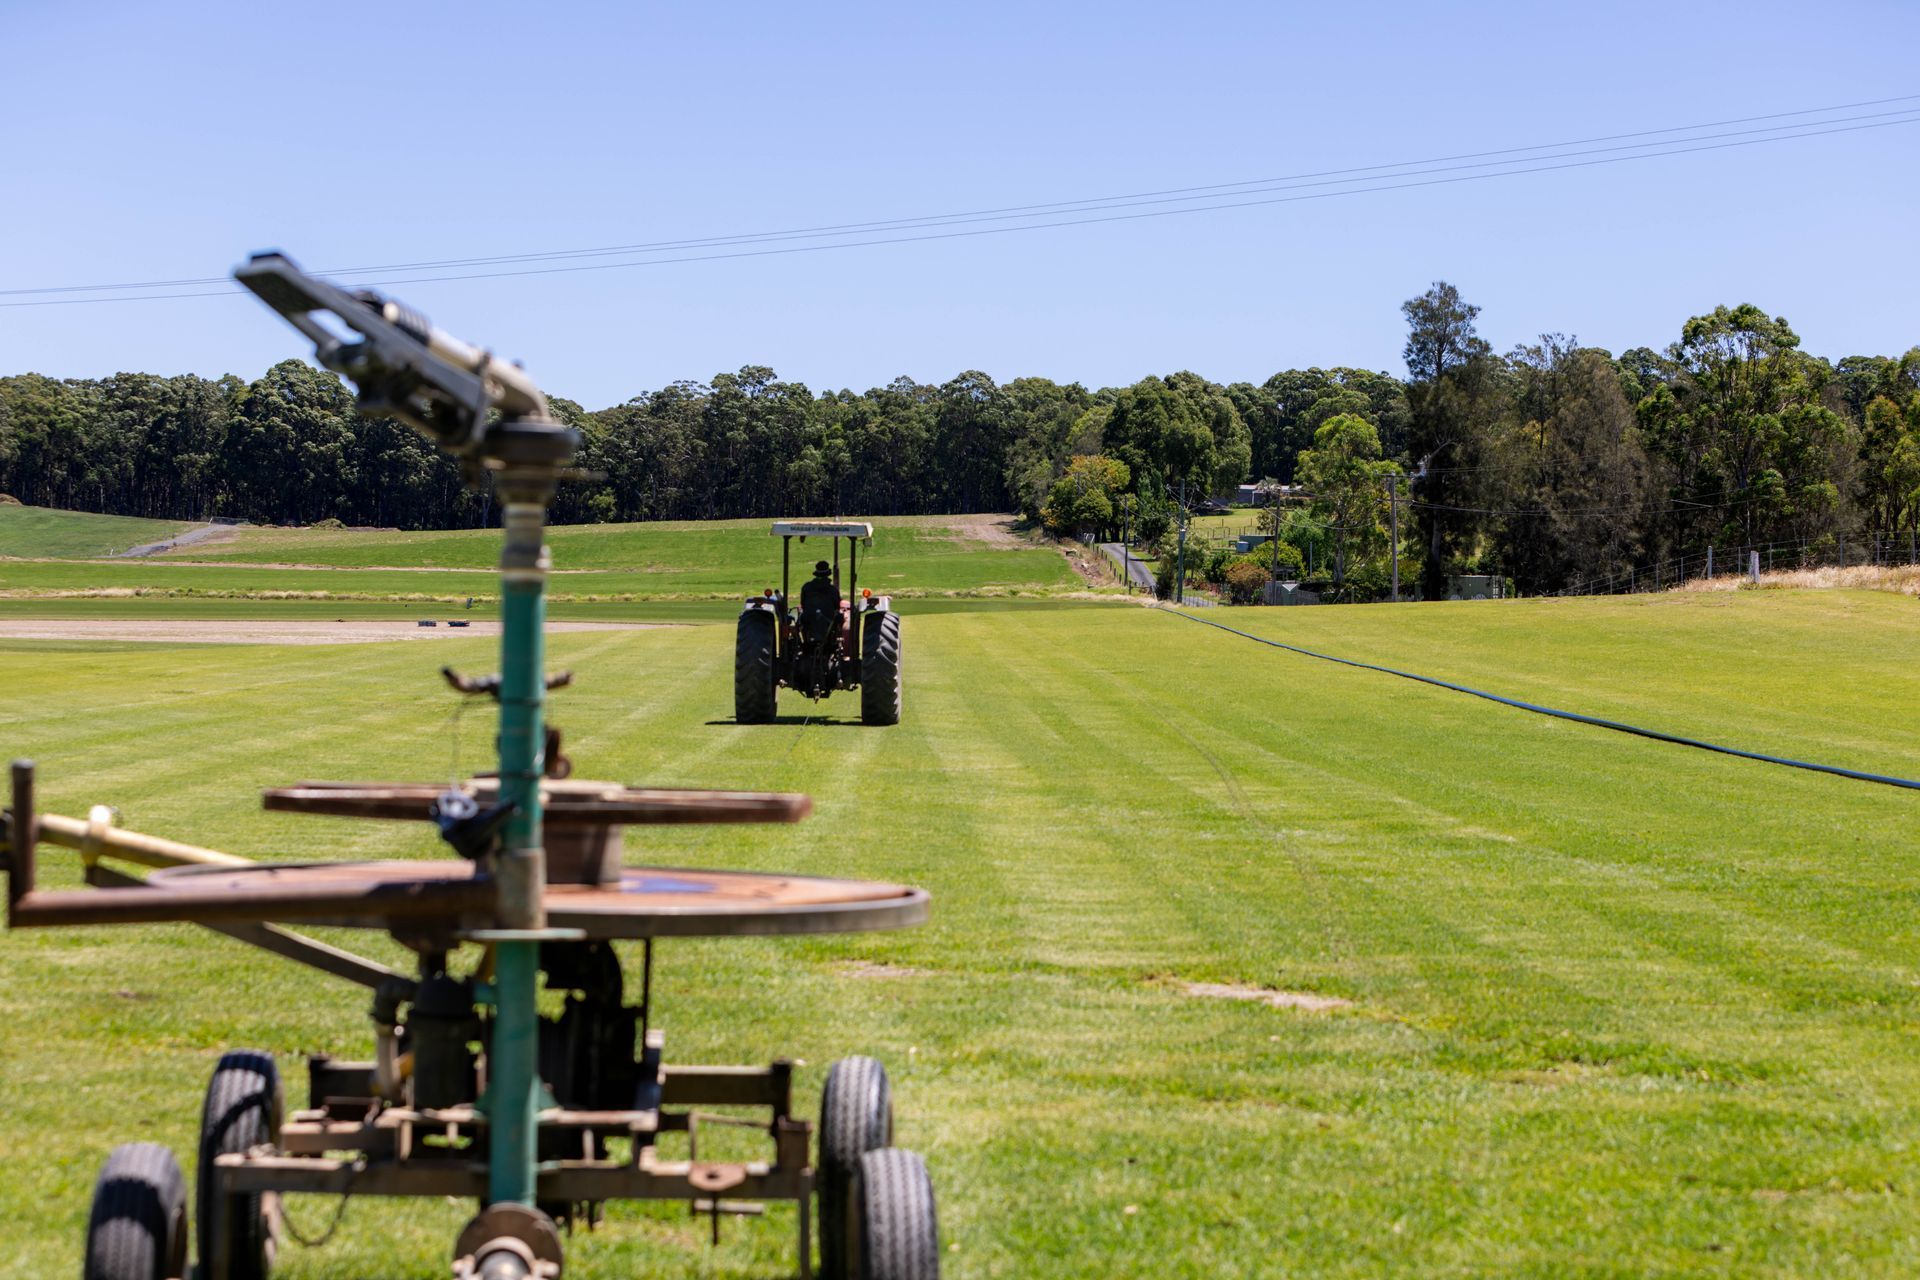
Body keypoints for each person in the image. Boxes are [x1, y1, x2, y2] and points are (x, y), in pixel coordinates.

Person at [799, 560, 840, 643]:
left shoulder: (806, 587)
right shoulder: (832, 590)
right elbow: (837, 606)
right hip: (828, 621)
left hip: (809, 619)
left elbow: (803, 604)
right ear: (828, 575)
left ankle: (806, 641)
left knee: (801, 620)